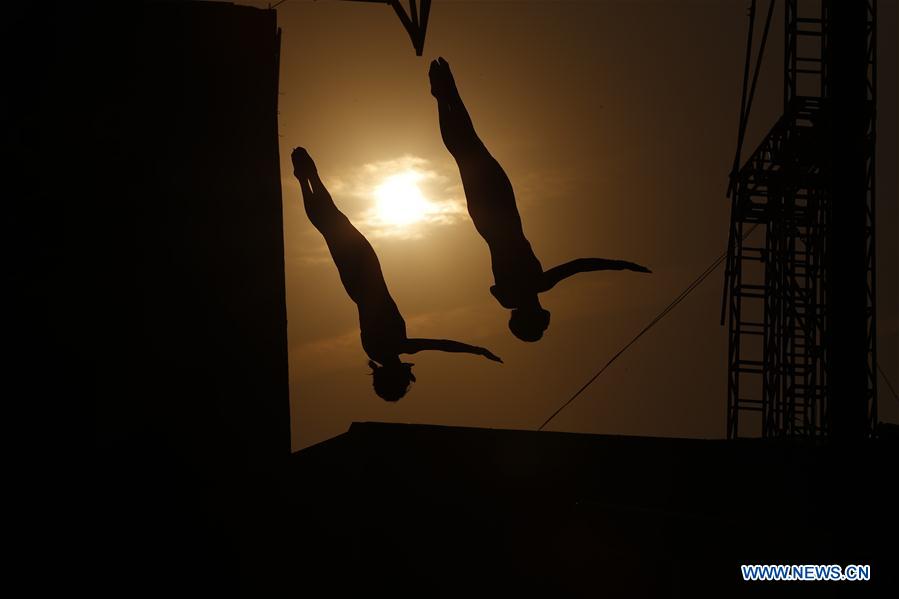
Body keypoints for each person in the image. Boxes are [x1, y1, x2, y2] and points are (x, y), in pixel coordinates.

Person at [428, 57, 652, 342]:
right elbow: (497, 289)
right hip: (486, 222)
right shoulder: (510, 296)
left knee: (470, 148)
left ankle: (447, 92)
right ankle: (442, 96)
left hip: (503, 214)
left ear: (536, 313)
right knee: (464, 152)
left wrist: (622, 264)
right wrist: (621, 265)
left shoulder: (538, 283)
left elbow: (581, 265)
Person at [292, 147, 502, 401]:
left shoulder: (390, 348)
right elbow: (438, 345)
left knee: (334, 224)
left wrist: (477, 351)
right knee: (332, 226)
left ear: (397, 376)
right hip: (358, 282)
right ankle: (306, 178)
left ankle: (308, 177)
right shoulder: (379, 351)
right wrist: (475, 351)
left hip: (364, 279)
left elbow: (439, 344)